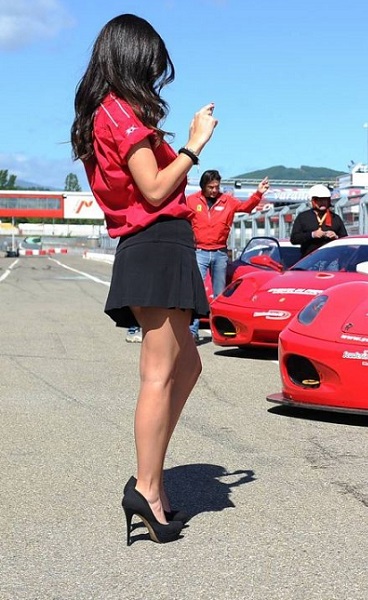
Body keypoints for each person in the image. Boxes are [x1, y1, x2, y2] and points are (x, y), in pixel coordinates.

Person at [70, 13, 217, 544]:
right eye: (152, 66)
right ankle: (148, 488)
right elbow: (154, 189)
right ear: (132, 58)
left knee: (189, 363)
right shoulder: (120, 110)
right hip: (154, 243)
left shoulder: (102, 111)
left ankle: (150, 476)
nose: (155, 77)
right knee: (159, 372)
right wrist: (194, 146)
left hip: (160, 246)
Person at [188, 170, 269, 342]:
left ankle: (219, 330)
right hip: (199, 252)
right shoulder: (192, 201)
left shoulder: (228, 201)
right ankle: (192, 330)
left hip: (220, 253)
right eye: (210, 187)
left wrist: (258, 193)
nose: (214, 190)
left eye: (217, 186)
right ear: (203, 186)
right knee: (196, 291)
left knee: (219, 295)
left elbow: (246, 208)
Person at [290, 184, 348, 257]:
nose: (322, 202)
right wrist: (312, 235)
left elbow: (345, 239)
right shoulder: (303, 217)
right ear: (312, 201)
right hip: (309, 260)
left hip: (331, 260)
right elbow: (294, 239)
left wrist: (336, 237)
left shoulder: (335, 218)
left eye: (325, 199)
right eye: (319, 200)